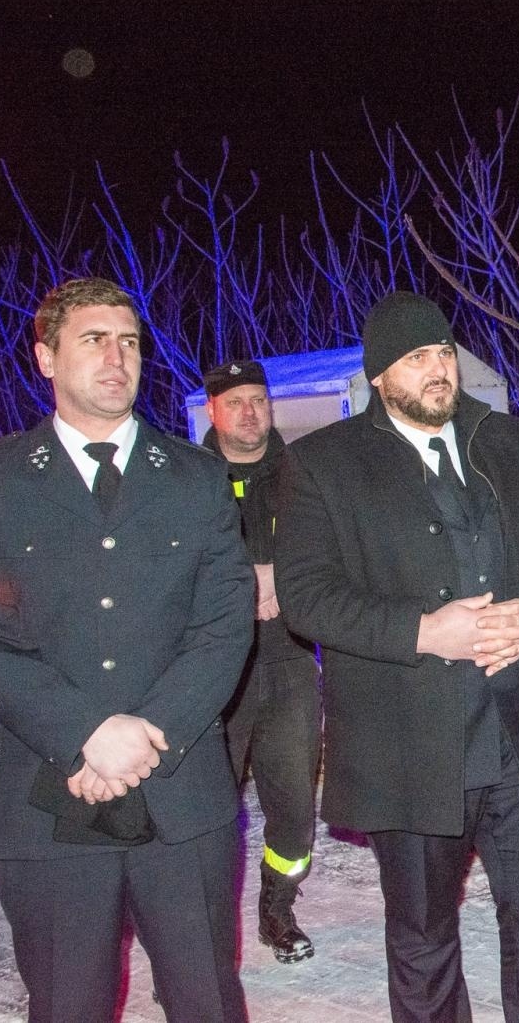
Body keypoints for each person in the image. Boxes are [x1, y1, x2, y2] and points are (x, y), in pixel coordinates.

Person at [0, 277, 253, 1022]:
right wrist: (84, 731)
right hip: (50, 797)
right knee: (66, 1004)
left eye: (129, 342)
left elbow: (224, 625)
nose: (117, 358)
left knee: (207, 1001)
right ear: (46, 357)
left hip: (181, 794)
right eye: (93, 340)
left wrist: (148, 733)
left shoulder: (197, 477)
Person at [275, 291, 519, 1023]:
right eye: (415, 358)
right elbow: (306, 596)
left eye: (443, 352)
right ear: (379, 375)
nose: (437, 368)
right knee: (424, 940)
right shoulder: (324, 463)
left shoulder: (508, 441)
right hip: (410, 745)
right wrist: (422, 631)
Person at [200, 358, 323, 963]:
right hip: (213, 670)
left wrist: (285, 576)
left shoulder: (302, 474)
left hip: (289, 660)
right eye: (235, 402)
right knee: (208, 811)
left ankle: (277, 911)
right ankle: (202, 936)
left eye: (259, 401)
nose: (250, 413)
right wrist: (241, 583)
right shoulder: (188, 478)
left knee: (295, 805)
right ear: (212, 410)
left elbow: (333, 555)